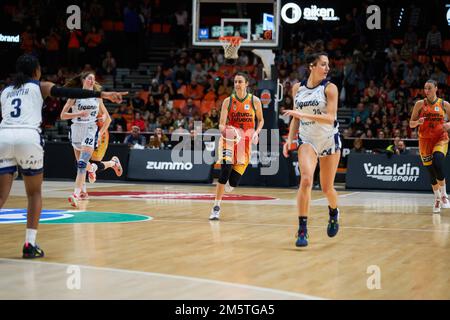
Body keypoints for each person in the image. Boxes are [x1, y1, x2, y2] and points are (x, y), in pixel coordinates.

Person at [0, 54, 127, 259]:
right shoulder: (39, 86)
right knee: (34, 194)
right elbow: (64, 92)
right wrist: (106, 94)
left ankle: (80, 190)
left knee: (1, 194)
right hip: (29, 137)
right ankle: (29, 244)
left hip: (4, 137)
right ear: (36, 71)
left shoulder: (5, 91)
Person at [283, 52, 341, 247]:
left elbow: (331, 117)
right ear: (312, 66)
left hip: (328, 139)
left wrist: (300, 114)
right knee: (306, 180)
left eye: (328, 65)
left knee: (327, 188)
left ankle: (333, 213)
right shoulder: (297, 88)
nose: (327, 68)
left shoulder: (330, 88)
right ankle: (302, 230)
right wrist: (289, 140)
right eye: (323, 64)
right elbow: (295, 117)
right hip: (307, 139)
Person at [209, 72, 264, 220]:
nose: (237, 84)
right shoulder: (228, 101)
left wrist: (257, 132)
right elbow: (221, 124)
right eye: (235, 82)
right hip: (229, 139)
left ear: (247, 83)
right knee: (225, 169)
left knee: (232, 183)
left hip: (244, 144)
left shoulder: (255, 101)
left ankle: (226, 188)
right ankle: (216, 206)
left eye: (240, 81)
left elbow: (261, 120)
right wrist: (227, 130)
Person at [60, 72, 118, 208]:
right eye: (89, 78)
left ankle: (75, 195)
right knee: (81, 164)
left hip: (90, 130)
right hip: (76, 130)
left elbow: (108, 119)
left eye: (94, 79)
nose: (92, 81)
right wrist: (78, 114)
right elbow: (63, 115)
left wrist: (99, 134)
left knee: (81, 164)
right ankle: (92, 170)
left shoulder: (97, 97)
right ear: (83, 80)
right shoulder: (75, 95)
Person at [409, 79, 450, 213]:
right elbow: (411, 124)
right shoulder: (420, 104)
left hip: (440, 138)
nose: (426, 91)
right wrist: (418, 122)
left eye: (429, 88)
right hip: (424, 140)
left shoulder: (444, 104)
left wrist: (449, 125)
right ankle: (437, 198)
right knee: (431, 172)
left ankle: (444, 195)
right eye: (425, 88)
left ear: (436, 88)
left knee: (438, 161)